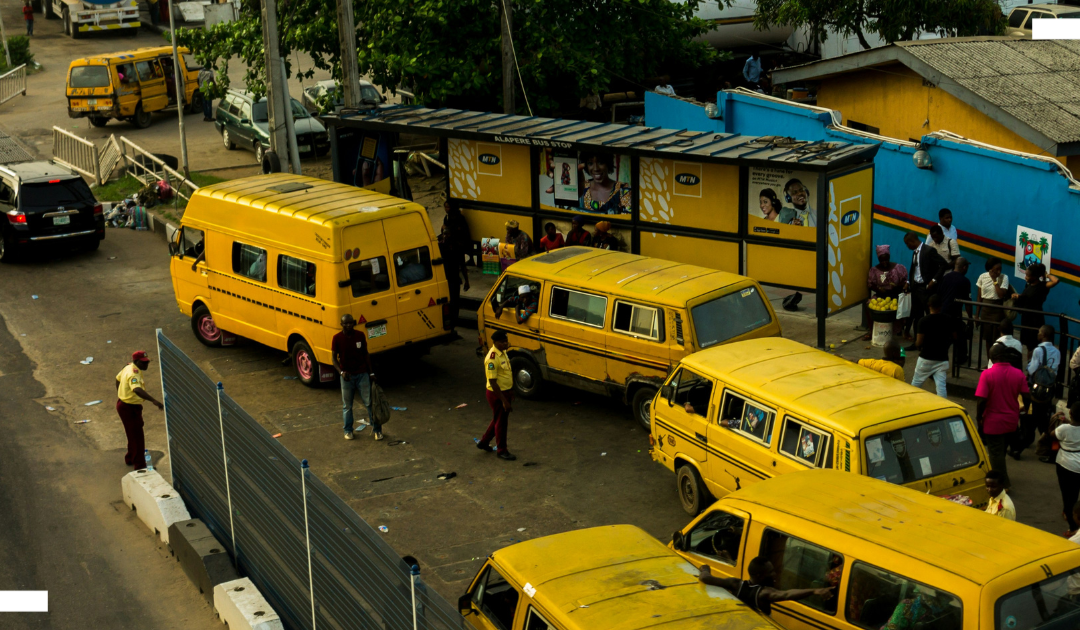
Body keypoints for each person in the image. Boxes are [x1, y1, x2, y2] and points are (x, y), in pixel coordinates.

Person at [976, 343, 1031, 489]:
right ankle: (1000, 477)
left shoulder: (987, 375)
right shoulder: (1018, 374)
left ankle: (1003, 484)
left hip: (993, 422)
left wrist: (979, 417)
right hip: (1011, 422)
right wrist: (1024, 410)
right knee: (1001, 450)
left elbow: (981, 400)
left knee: (995, 454)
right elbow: (1027, 396)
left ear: (992, 357)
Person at [698, 558, 834, 616]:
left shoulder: (735, 584)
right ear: (760, 575)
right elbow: (787, 594)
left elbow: (705, 578)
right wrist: (815, 590)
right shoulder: (763, 593)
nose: (774, 574)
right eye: (771, 572)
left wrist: (705, 568)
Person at [332, 314, 380, 441]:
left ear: (354, 323)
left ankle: (377, 430)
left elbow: (366, 354)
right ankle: (348, 430)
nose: (348, 325)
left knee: (369, 403)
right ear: (341, 325)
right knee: (347, 406)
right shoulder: (337, 338)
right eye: (345, 323)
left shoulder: (360, 335)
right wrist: (341, 373)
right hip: (346, 376)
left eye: (350, 323)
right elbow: (334, 359)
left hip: (362, 374)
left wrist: (371, 373)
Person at [114, 351, 164, 470]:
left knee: (132, 434)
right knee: (137, 437)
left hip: (124, 404)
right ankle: (140, 465)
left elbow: (117, 378)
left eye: (147, 362)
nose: (146, 365)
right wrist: (153, 400)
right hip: (129, 408)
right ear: (136, 361)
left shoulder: (128, 367)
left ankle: (130, 457)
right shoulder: (134, 374)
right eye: (143, 363)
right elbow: (137, 389)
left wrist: (121, 393)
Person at [1021, 324, 1062, 453]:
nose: (1038, 334)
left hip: (1037, 389)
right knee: (1044, 415)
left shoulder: (1038, 351)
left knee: (1031, 415)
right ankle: (1048, 442)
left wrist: (1028, 366)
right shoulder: (1057, 352)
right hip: (1049, 389)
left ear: (1043, 335)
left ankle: (1025, 441)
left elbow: (1032, 369)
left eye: (1039, 332)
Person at [902, 231, 948, 345]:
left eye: (907, 244)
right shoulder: (915, 252)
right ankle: (917, 342)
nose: (907, 246)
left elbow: (943, 264)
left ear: (912, 241)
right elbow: (914, 269)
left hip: (926, 289)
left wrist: (934, 280)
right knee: (917, 316)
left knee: (929, 315)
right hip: (916, 288)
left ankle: (931, 342)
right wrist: (909, 282)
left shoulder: (929, 251)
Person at [479, 330, 516, 461]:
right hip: (497, 394)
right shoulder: (492, 358)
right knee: (501, 423)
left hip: (505, 391)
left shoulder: (503, 352)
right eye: (502, 342)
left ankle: (484, 442)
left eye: (506, 341)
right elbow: (493, 382)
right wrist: (504, 401)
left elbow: (506, 374)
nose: (505, 344)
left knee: (498, 419)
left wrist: (510, 391)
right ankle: (502, 450)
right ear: (495, 342)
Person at [910, 295, 954, 398]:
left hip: (926, 359)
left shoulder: (923, 321)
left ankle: (910, 403)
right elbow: (954, 337)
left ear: (929, 305)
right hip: (942, 359)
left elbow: (919, 342)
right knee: (941, 387)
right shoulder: (948, 319)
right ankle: (943, 406)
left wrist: (916, 345)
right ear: (941, 306)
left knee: (915, 384)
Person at [1012, 262, 1059, 352]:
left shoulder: (1042, 286)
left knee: (1034, 345)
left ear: (1034, 277)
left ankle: (1034, 360)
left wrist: (1046, 275)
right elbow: (1026, 297)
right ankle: (1030, 361)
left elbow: (1056, 281)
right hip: (1026, 318)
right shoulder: (1028, 285)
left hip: (1035, 319)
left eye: (1028, 275)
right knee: (1028, 346)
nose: (1025, 277)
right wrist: (1018, 296)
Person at [862, 244, 907, 336]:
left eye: (886, 259)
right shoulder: (874, 270)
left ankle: (897, 329)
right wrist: (879, 289)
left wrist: (896, 286)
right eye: (881, 260)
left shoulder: (898, 268)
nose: (884, 262)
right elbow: (871, 284)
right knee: (869, 305)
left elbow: (904, 282)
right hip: (880, 296)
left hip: (895, 295)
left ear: (889, 257)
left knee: (899, 306)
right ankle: (872, 331)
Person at [439, 201, 471, 325]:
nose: (445, 236)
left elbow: (462, 265)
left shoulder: (456, 248)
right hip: (445, 279)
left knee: (455, 301)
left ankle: (454, 320)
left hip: (453, 279)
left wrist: (466, 280)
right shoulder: (441, 247)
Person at [976, 257, 1011, 357]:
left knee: (996, 339)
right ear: (990, 269)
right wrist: (977, 315)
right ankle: (990, 361)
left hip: (997, 311)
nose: (999, 271)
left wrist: (994, 280)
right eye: (996, 269)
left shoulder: (1004, 277)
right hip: (985, 310)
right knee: (987, 339)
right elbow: (979, 297)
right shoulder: (982, 277)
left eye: (1000, 269)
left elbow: (1001, 295)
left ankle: (997, 360)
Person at [1056, 403, 1080, 532]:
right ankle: (1072, 514)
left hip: (1065, 465)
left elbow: (1052, 434)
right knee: (1075, 494)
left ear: (1070, 413)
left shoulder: (1063, 428)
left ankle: (1073, 527)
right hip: (1078, 467)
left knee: (1067, 496)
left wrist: (1055, 420)